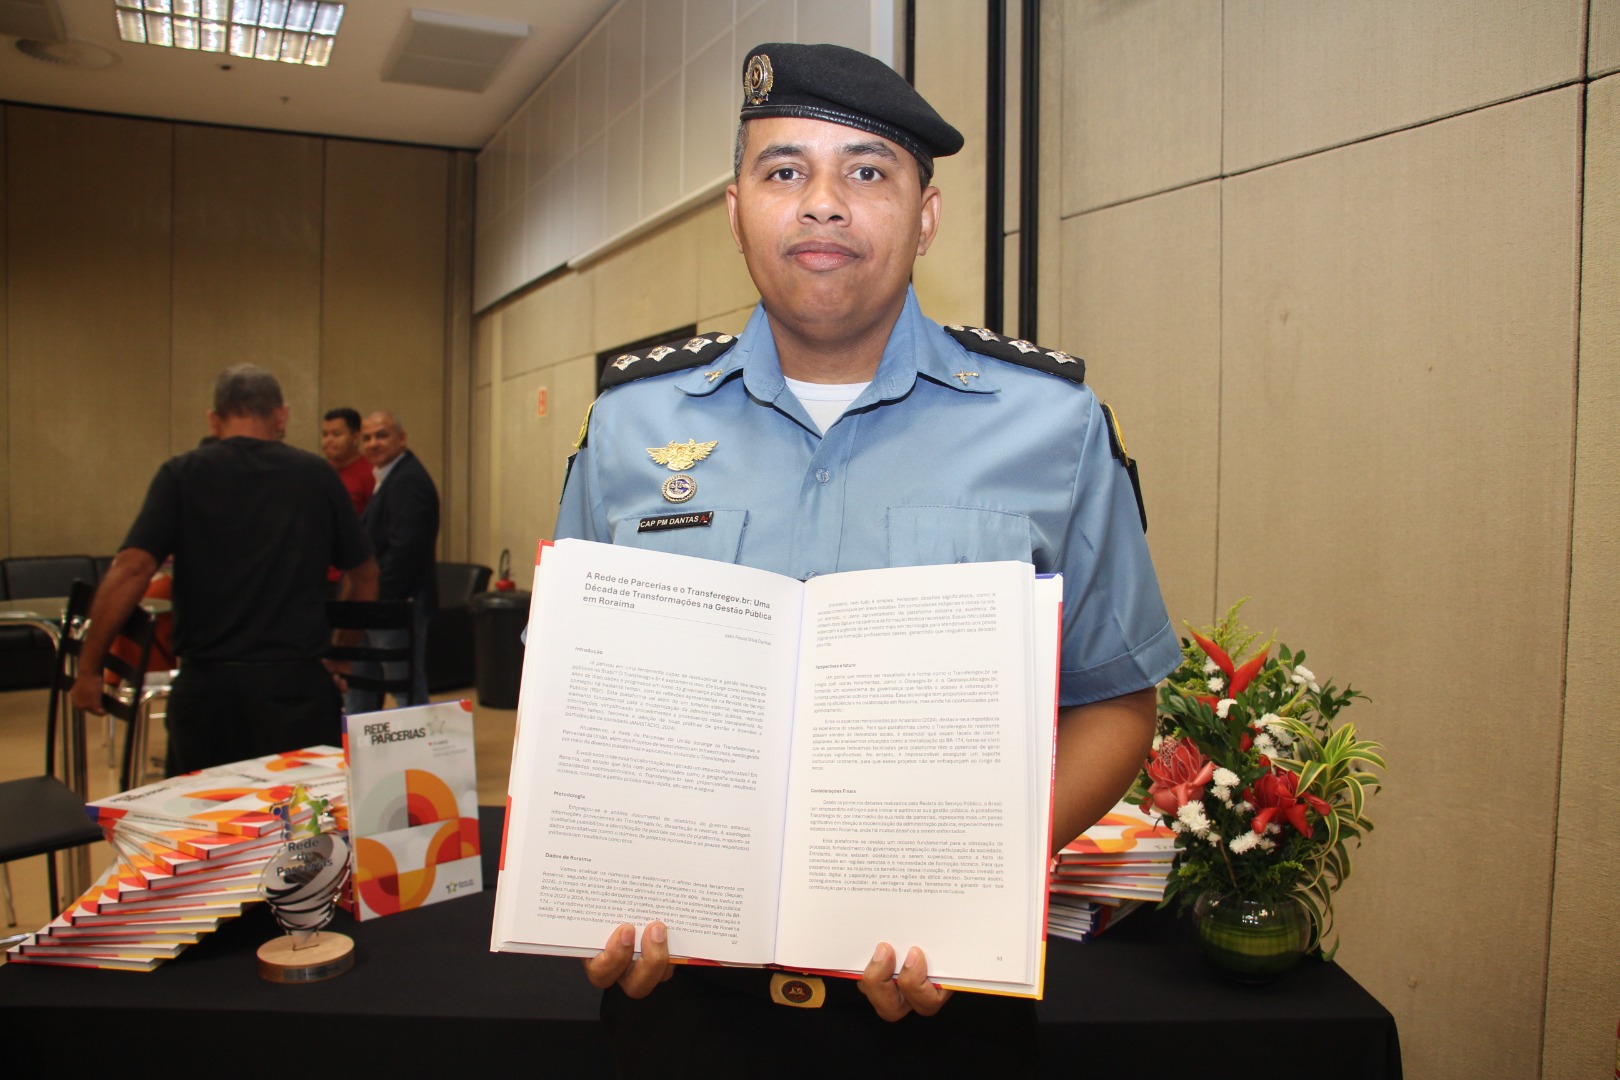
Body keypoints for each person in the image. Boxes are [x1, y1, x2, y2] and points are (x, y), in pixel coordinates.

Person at [552, 42, 1183, 1076]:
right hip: (680, 1001)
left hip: (942, 1005)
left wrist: (975, 873)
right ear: (736, 207)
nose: (823, 204)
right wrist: (591, 879)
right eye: (785, 170)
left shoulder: (1053, 428)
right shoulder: (629, 428)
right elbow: (577, 696)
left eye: (867, 171)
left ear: (926, 214)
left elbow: (1116, 700)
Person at [71, 364, 378, 775]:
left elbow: (132, 569)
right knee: (304, 828)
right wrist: (340, 658)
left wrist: (90, 668)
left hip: (205, 689)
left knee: (206, 824)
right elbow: (365, 574)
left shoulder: (181, 475)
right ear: (281, 415)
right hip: (295, 687)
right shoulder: (316, 476)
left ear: (214, 420)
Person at [346, 410, 439, 711]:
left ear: (401, 438)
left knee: (405, 691)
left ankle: (421, 757)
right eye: (367, 437)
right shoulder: (387, 477)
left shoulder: (408, 480)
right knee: (362, 685)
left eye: (382, 435)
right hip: (376, 605)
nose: (374, 443)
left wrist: (374, 596)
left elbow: (406, 550)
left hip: (396, 604)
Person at [321, 407, 374, 517]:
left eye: (336, 434)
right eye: (325, 435)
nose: (328, 440)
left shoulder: (371, 473)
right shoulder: (320, 471)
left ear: (355, 438)